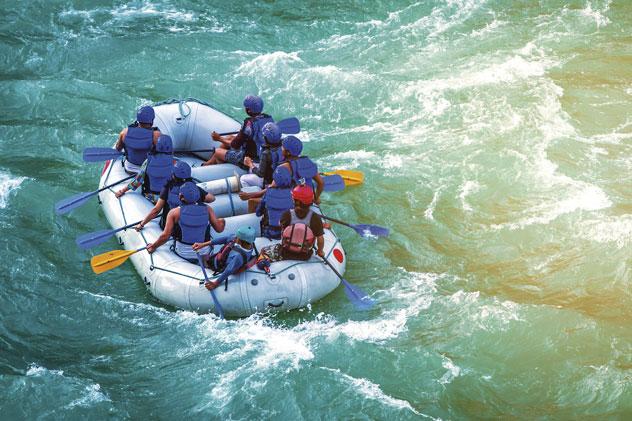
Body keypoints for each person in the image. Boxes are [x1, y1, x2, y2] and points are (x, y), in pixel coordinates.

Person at [146, 182, 225, 262]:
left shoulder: (174, 212)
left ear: (181, 196)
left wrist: (153, 246)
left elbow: (165, 236)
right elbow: (219, 229)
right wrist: (222, 221)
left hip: (183, 252)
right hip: (204, 252)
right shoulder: (208, 209)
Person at [135, 161, 215, 230]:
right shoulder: (194, 189)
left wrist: (142, 224)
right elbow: (211, 199)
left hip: (168, 227)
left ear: (174, 175)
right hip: (186, 228)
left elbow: (156, 210)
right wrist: (199, 193)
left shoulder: (168, 186)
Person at [201, 95, 273, 167]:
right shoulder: (269, 118)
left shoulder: (249, 125)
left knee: (217, 152)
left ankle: (209, 164)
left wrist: (219, 138)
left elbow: (235, 145)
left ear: (249, 110)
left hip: (249, 159)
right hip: (261, 152)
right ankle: (211, 160)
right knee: (230, 137)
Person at [115, 134, 175, 203]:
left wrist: (122, 191)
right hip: (168, 198)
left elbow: (138, 181)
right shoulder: (175, 162)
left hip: (151, 197)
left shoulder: (148, 161)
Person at [192, 226, 256, 291]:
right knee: (206, 257)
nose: (235, 238)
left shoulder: (238, 257)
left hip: (219, 265)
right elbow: (224, 239)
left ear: (242, 241)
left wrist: (215, 284)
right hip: (219, 258)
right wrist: (203, 244)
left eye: (237, 238)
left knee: (200, 261)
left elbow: (229, 270)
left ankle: (204, 264)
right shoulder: (245, 242)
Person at [280, 184, 325, 258]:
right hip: (305, 255)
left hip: (286, 252)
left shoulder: (287, 214)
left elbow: (282, 229)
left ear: (296, 201)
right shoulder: (315, 218)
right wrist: (320, 251)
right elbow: (320, 239)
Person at [115, 106, 161, 174]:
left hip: (130, 169)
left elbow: (118, 149)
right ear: (151, 120)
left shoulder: (124, 132)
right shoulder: (156, 135)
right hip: (147, 170)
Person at [240, 121, 284, 189]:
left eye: (264, 136)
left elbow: (260, 174)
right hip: (278, 177)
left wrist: (250, 164)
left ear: (266, 138)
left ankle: (254, 194)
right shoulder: (284, 147)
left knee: (243, 178)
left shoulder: (266, 153)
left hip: (267, 181)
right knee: (253, 166)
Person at [255, 166, 294, 239]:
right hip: (288, 232)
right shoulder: (293, 194)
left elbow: (258, 213)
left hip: (269, 232)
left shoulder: (269, 193)